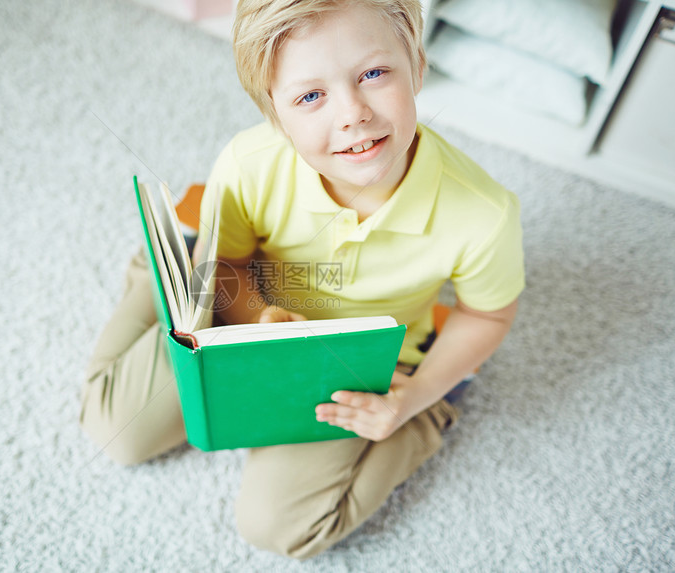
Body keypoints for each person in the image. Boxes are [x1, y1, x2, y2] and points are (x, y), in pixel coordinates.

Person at [79, 0, 524, 559]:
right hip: (255, 309)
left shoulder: (486, 212)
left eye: (373, 74)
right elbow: (233, 270)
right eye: (311, 96)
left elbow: (487, 313)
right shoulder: (249, 161)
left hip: (363, 362)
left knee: (278, 526)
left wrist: (412, 398)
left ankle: (429, 413)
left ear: (415, 60)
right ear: (275, 113)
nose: (353, 114)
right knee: (115, 431)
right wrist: (259, 319)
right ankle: (167, 263)